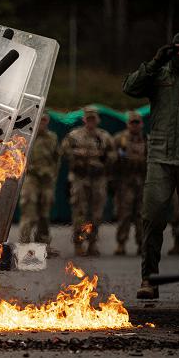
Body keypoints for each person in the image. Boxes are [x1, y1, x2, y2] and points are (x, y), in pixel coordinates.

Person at [123, 30, 179, 301]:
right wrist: (153, 62)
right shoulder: (159, 76)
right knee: (152, 219)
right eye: (176, 50)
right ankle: (149, 280)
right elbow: (130, 88)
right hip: (160, 158)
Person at [60, 107, 116, 257]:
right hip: (80, 178)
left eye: (93, 119)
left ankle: (92, 243)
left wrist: (103, 158)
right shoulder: (74, 135)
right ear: (84, 120)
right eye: (88, 119)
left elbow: (113, 155)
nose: (91, 122)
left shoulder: (104, 137)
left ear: (97, 120)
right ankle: (79, 243)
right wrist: (79, 155)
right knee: (79, 211)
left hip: (98, 179)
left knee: (97, 213)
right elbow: (64, 151)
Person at [18, 112, 60, 255]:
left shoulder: (52, 137)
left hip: (47, 180)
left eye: (44, 120)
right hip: (31, 178)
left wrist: (52, 175)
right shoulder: (28, 137)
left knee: (45, 213)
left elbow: (56, 159)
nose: (42, 123)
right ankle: (24, 246)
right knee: (29, 210)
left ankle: (43, 246)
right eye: (40, 120)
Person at [113, 111, 146, 255]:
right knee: (124, 214)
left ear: (141, 124)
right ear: (128, 124)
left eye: (137, 123)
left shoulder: (146, 140)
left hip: (142, 182)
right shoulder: (120, 139)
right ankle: (121, 243)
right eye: (132, 123)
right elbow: (111, 158)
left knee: (142, 215)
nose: (135, 125)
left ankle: (142, 244)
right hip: (125, 182)